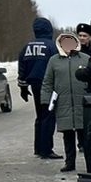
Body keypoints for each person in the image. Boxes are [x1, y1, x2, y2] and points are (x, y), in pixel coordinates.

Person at [41, 29, 89, 172]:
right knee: (68, 135)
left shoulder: (85, 58)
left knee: (85, 135)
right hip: (63, 103)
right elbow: (47, 82)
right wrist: (46, 100)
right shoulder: (54, 60)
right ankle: (70, 163)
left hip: (82, 102)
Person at [17, 16, 60, 158]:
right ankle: (46, 150)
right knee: (48, 116)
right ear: (49, 29)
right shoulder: (52, 46)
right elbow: (58, 67)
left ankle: (38, 147)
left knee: (40, 116)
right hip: (49, 86)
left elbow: (22, 69)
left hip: (34, 86)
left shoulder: (27, 47)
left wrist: (23, 87)